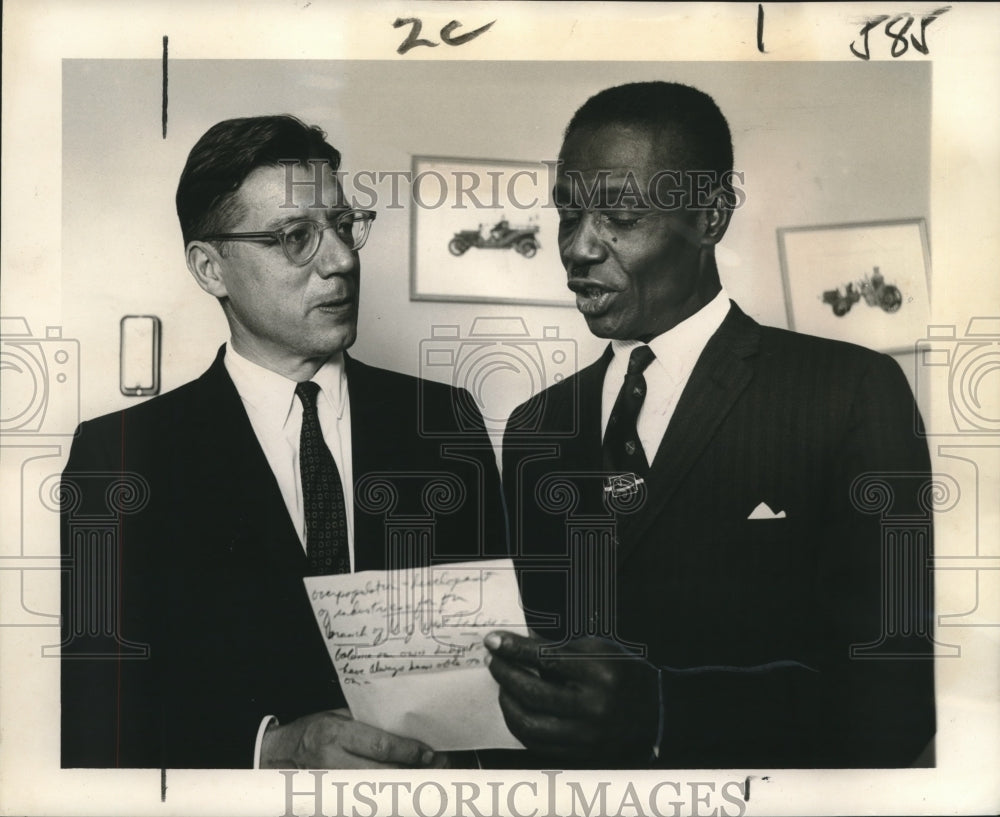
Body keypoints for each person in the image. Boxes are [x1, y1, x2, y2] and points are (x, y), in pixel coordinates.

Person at [485, 82, 936, 768]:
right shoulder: (536, 426)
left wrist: (664, 710)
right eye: (567, 214)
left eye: (619, 215)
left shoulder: (849, 392)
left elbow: (901, 699)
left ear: (711, 216)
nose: (577, 248)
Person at [60, 115, 505, 769]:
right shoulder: (119, 457)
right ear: (211, 268)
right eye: (296, 237)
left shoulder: (447, 422)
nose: (343, 259)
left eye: (345, 226)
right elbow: (99, 716)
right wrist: (268, 747)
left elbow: (493, 672)